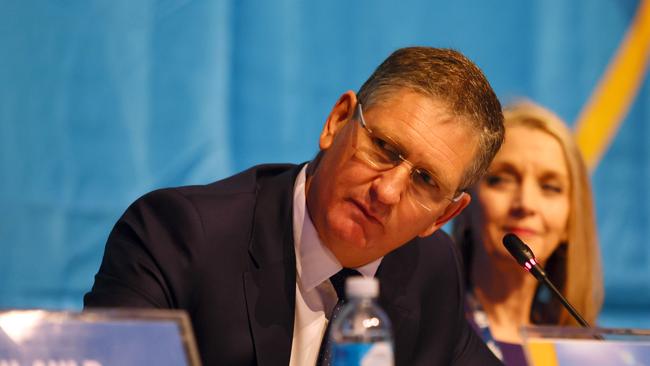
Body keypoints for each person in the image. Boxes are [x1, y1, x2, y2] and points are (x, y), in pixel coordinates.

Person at [84, 47, 505, 366]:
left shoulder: (431, 269)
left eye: (425, 181)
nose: (389, 191)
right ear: (337, 122)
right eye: (384, 148)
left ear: (444, 216)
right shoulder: (180, 237)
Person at [452, 100, 604, 365]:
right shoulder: (430, 323)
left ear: (570, 222)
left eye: (550, 187)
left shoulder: (584, 351)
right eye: (502, 179)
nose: (526, 204)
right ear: (465, 204)